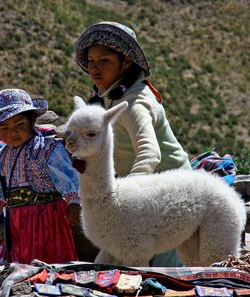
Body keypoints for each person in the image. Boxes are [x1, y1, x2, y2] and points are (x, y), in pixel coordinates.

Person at [74, 21, 192, 267]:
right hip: (150, 191)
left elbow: (150, 154)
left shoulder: (134, 104)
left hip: (170, 193)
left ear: (126, 61)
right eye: (92, 61)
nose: (94, 68)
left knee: (166, 270)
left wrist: (126, 199)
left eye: (104, 61)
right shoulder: (115, 96)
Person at [0, 88, 81, 296]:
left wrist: (74, 202)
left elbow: (66, 176)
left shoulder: (48, 149)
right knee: (21, 267)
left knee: (53, 267)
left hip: (48, 219)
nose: (12, 133)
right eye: (4, 128)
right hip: (17, 224)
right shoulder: (0, 157)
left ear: (31, 121)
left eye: (19, 125)